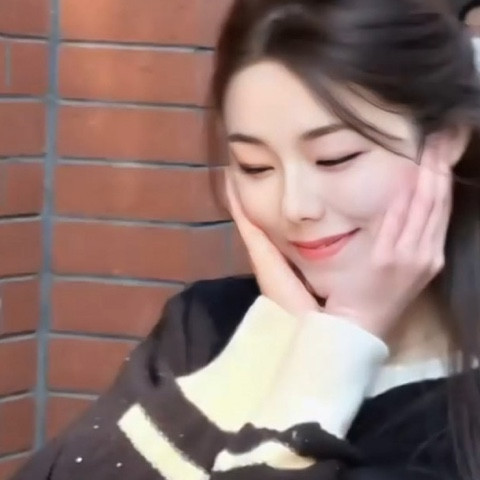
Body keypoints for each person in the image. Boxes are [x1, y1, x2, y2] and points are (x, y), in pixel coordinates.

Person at [11, 0, 480, 479]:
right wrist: (284, 339)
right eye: (256, 167)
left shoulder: (458, 415)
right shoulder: (207, 327)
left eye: (334, 158)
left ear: (445, 141)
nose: (294, 206)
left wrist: (339, 344)